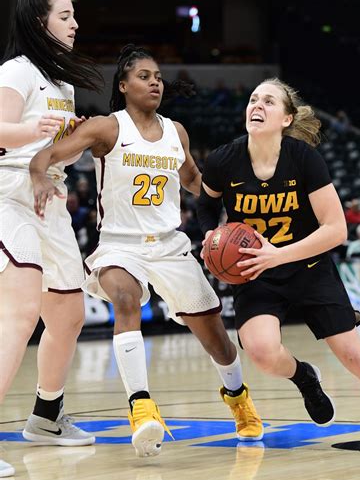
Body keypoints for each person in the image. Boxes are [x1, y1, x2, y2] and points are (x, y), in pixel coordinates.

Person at [29, 44, 263, 458]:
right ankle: (141, 407)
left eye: (157, 76)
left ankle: (238, 397)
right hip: (120, 246)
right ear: (123, 85)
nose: (154, 82)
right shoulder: (107, 128)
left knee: (217, 339)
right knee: (125, 298)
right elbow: (51, 153)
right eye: (144, 76)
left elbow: (194, 180)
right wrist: (39, 174)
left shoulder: (176, 131)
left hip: (170, 246)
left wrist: (237, 198)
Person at [197, 77, 360, 454]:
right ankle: (305, 377)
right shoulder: (224, 160)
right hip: (257, 273)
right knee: (260, 352)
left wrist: (279, 254)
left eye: (268, 101)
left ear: (286, 119)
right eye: (254, 99)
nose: (256, 105)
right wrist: (211, 235)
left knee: (353, 354)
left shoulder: (303, 159)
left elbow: (336, 229)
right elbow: (206, 205)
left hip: (309, 266)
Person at [0, 0, 103, 478]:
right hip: (11, 196)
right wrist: (27, 131)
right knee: (19, 313)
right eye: (65, 15)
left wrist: (72, 139)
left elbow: (49, 149)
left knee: (68, 313)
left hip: (52, 200)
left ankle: (46, 417)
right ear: (39, 21)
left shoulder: (60, 83)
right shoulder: (17, 72)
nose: (75, 22)